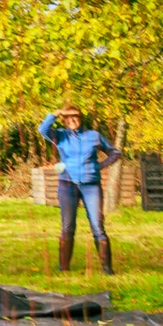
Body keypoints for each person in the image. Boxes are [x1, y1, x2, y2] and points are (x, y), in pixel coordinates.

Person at [38, 104, 121, 274]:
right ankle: (64, 267)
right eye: (68, 118)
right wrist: (56, 113)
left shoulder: (94, 136)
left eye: (75, 117)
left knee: (98, 226)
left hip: (91, 185)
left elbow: (115, 153)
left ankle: (107, 268)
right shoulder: (60, 136)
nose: (72, 120)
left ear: (81, 118)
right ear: (64, 120)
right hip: (67, 185)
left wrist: (101, 165)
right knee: (68, 226)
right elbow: (43, 130)